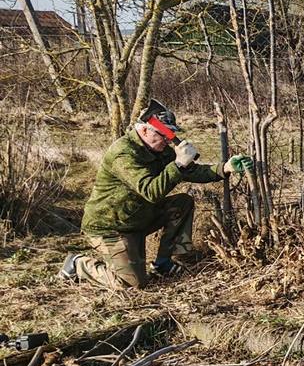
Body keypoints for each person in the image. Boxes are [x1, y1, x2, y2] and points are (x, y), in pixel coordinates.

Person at [59, 103, 253, 290]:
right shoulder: (124, 153)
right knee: (131, 284)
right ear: (145, 130)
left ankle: (163, 263)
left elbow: (192, 171)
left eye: (171, 135)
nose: (168, 141)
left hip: (138, 217)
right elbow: (150, 191)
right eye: (164, 135)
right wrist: (178, 165)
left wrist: (225, 168)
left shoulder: (159, 150)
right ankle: (78, 264)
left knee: (182, 203)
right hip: (111, 227)